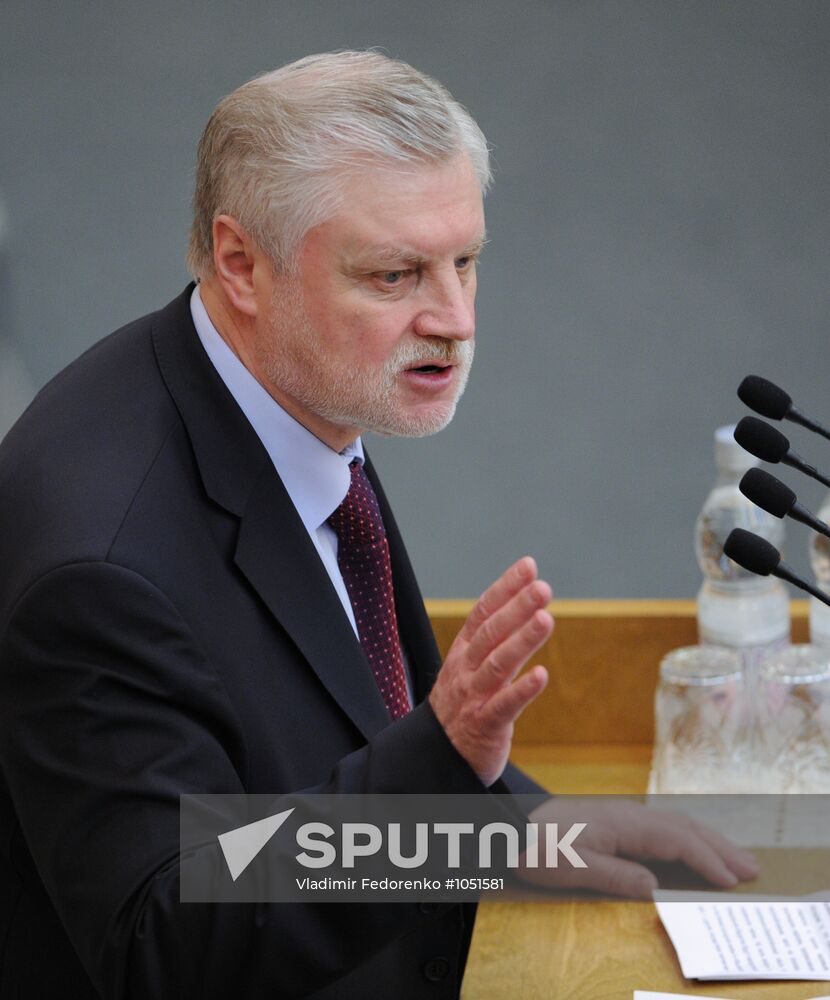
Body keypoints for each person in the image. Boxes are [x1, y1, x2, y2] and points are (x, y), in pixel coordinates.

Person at [0, 51, 756, 999]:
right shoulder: (102, 564)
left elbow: (345, 733)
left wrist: (514, 830)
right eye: (396, 274)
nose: (454, 318)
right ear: (242, 264)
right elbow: (161, 938)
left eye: (466, 262)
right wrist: (442, 768)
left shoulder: (288, 395)